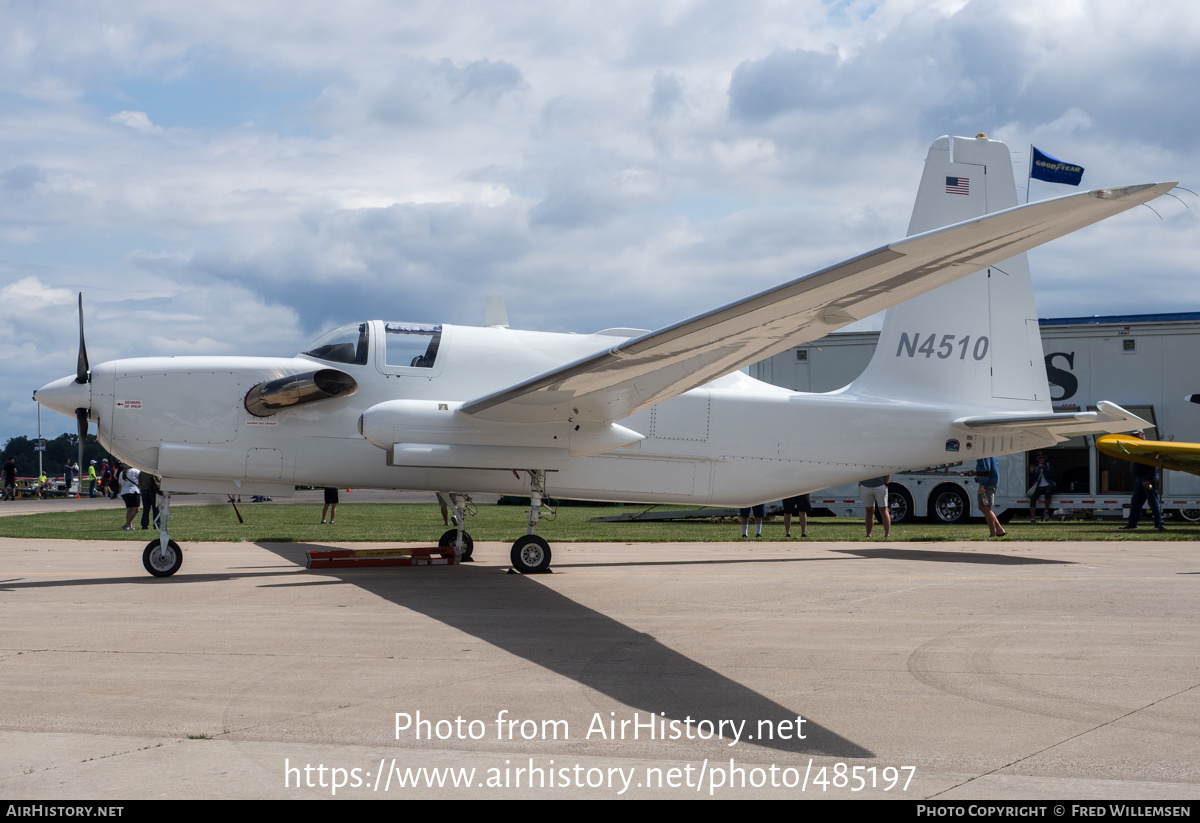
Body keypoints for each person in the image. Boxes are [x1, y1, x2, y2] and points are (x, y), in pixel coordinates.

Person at [1120, 430, 1164, 531]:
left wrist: (1148, 479)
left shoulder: (1148, 446)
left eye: (1136, 435)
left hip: (1148, 478)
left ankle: (1159, 524)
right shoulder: (1137, 447)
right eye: (1133, 435)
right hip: (1140, 478)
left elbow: (1154, 465)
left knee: (1153, 502)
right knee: (1136, 502)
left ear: (1142, 434)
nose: (1134, 437)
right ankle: (1132, 524)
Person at [971, 456, 1006, 538]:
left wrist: (982, 484)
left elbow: (985, 469)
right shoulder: (992, 453)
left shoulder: (984, 454)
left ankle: (993, 534)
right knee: (981, 506)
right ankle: (999, 529)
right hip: (990, 482)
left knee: (986, 507)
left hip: (987, 484)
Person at [1028, 452, 1056, 523]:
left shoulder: (1049, 464)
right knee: (1033, 498)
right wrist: (1031, 471)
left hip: (1048, 484)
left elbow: (1052, 476)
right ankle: (1032, 519)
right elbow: (1031, 479)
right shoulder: (1035, 465)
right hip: (1038, 485)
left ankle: (1046, 511)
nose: (1041, 459)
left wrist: (1045, 469)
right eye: (1040, 458)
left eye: (1043, 457)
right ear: (1037, 459)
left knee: (1048, 492)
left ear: (1045, 457)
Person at [117, 464, 141, 531]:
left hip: (124, 492)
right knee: (136, 509)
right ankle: (127, 524)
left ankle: (130, 525)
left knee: (129, 509)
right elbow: (140, 480)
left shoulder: (121, 473)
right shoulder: (135, 471)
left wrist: (119, 493)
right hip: (133, 491)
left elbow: (120, 484)